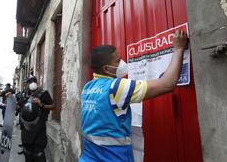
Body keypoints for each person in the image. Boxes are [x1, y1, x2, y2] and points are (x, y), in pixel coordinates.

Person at [79, 30, 187, 162]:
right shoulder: (116, 87)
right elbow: (167, 84)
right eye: (118, 61)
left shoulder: (87, 88)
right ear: (106, 69)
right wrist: (179, 48)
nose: (123, 63)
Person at [17, 75, 55, 162]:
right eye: (29, 82)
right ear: (27, 84)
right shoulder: (24, 94)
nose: (31, 83)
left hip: (39, 129)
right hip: (26, 130)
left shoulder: (44, 93)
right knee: (28, 153)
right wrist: (11, 101)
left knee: (39, 155)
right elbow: (18, 106)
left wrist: (40, 103)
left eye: (33, 81)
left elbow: (53, 106)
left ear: (36, 82)